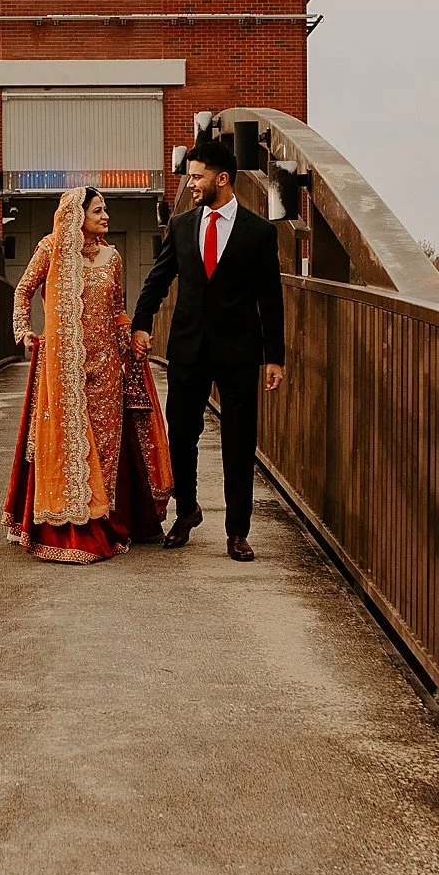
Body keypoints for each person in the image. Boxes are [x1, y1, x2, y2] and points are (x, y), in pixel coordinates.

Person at [129, 136, 286, 563]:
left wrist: (275, 356)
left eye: (198, 177)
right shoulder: (181, 226)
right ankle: (187, 511)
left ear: (222, 178)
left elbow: (270, 298)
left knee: (239, 441)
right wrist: (141, 324)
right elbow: (158, 279)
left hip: (239, 351)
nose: (191, 184)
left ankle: (237, 532)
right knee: (181, 435)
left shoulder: (259, 232)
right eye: (190, 177)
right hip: (188, 348)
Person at [3, 186, 172, 564]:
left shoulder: (113, 257)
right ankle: (73, 526)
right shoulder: (51, 249)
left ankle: (105, 521)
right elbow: (23, 290)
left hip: (107, 365)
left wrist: (131, 342)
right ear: (77, 215)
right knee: (70, 441)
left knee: (107, 444)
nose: (106, 216)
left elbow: (117, 310)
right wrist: (23, 330)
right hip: (64, 367)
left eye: (106, 209)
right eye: (98, 210)